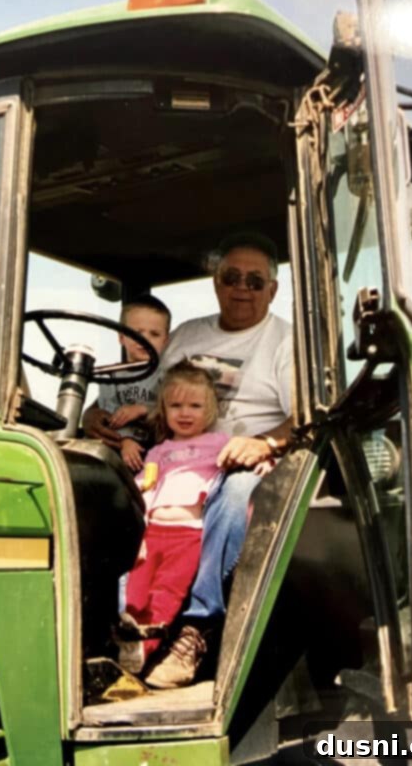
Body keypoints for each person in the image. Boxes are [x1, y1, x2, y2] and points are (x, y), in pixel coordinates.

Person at [83, 231, 293, 688]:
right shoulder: (187, 335)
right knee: (88, 479)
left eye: (255, 282)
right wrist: (93, 415)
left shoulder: (284, 341)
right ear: (215, 282)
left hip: (242, 462)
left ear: (272, 290)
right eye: (231, 277)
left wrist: (264, 445)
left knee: (236, 491)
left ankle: (197, 628)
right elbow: (140, 391)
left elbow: (306, 417)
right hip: (173, 457)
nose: (242, 288)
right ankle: (102, 625)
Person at [117, 361, 228, 675]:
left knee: (168, 591)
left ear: (210, 410)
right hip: (153, 532)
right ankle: (128, 641)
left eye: (195, 405)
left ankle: (145, 651)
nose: (185, 412)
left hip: (188, 534)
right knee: (136, 590)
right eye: (176, 405)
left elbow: (236, 463)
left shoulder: (219, 443)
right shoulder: (158, 452)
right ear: (163, 409)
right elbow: (145, 487)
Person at [94, 295, 171, 470]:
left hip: (156, 449)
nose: (145, 340)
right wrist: (124, 441)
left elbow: (171, 412)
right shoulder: (110, 375)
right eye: (137, 333)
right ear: (121, 337)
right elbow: (108, 417)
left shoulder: (166, 377)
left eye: (155, 334)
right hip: (117, 448)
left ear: (165, 341)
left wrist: (143, 409)